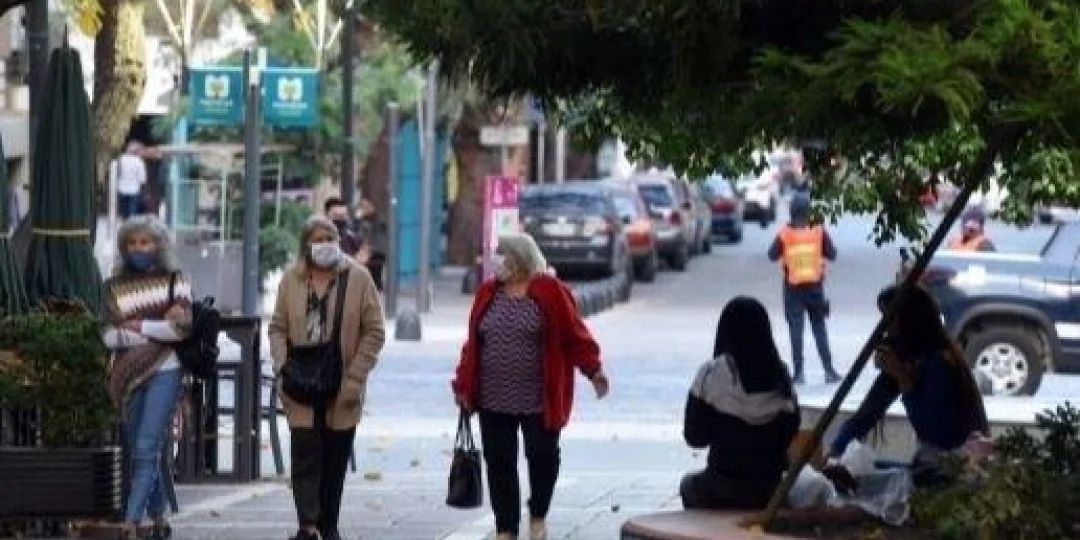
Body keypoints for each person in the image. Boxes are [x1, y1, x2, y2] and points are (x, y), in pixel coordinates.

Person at [452, 233, 610, 540]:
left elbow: (574, 335)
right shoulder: (488, 292)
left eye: (502, 255)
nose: (496, 261)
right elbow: (473, 344)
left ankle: (538, 514)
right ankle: (506, 527)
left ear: (520, 259)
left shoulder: (549, 291)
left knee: (542, 456)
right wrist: (463, 384)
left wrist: (594, 371)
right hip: (493, 396)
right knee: (499, 462)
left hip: (539, 397)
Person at [269, 216, 386, 540]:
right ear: (306, 245)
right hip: (299, 380)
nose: (325, 245)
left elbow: (374, 331)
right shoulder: (291, 280)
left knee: (335, 457)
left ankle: (328, 524)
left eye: (330, 237)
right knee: (304, 454)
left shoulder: (358, 278)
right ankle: (307, 525)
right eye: (318, 239)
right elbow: (277, 327)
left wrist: (356, 377)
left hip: (342, 381)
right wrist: (281, 367)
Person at [822, 284, 990, 493]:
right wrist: (835, 451)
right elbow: (867, 414)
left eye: (889, 319)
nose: (884, 327)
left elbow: (936, 434)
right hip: (930, 462)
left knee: (876, 484)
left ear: (910, 320)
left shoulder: (939, 363)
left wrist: (904, 380)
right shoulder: (905, 356)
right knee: (855, 474)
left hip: (957, 467)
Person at [101, 216, 193, 540]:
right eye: (132, 243)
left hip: (167, 369)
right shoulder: (112, 286)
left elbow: (181, 330)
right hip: (125, 375)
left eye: (145, 242)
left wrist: (137, 326)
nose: (138, 249)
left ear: (159, 245)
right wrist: (158, 328)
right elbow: (107, 335)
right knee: (136, 447)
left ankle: (132, 522)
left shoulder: (176, 281)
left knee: (145, 445)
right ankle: (158, 517)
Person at [680, 297, 800, 510]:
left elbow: (694, 437)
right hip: (770, 491)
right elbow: (789, 432)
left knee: (688, 485)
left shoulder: (711, 373)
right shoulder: (781, 375)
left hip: (720, 488)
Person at [767, 193, 841, 385]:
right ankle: (829, 371)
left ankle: (799, 374)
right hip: (815, 288)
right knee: (819, 328)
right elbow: (832, 254)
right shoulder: (818, 231)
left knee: (796, 331)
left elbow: (771, 255)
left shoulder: (785, 234)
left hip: (793, 290)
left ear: (791, 211)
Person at [356, 199, 388, 292]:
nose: (365, 209)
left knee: (376, 271)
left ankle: (377, 289)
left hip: (378, 248)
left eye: (367, 206)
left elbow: (381, 227)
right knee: (369, 271)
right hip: (368, 249)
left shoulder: (378, 218)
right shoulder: (363, 219)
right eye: (363, 207)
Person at [111, 141, 148, 220]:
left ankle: (124, 223)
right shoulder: (139, 162)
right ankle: (130, 225)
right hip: (134, 190)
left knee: (124, 211)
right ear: (137, 151)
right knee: (132, 212)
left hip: (122, 188)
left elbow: (117, 173)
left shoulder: (121, 159)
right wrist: (144, 191)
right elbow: (142, 179)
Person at [323, 197, 363, 261]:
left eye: (343, 216)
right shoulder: (318, 239)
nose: (340, 220)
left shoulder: (354, 240)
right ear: (326, 215)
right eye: (336, 216)